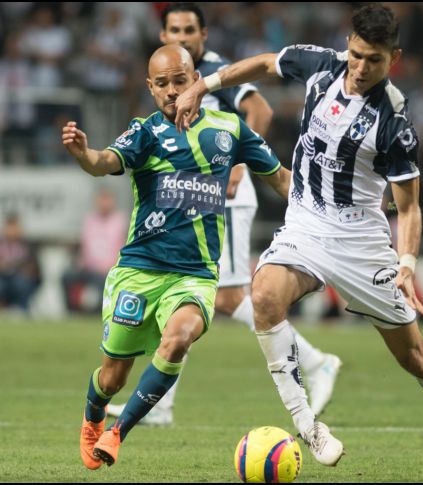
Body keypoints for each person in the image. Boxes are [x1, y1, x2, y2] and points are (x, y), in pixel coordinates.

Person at [174, 5, 423, 480]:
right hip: (305, 225)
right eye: (357, 55)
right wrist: (203, 84)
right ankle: (308, 425)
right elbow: (262, 64)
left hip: (361, 240)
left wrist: (406, 263)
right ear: (348, 44)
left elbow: (408, 207)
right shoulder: (320, 65)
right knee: (263, 295)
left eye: (375, 61)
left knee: (414, 357)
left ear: (394, 58)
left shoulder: (394, 123)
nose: (362, 69)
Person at [106, 2, 341, 427]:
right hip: (193, 200)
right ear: (163, 37)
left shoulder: (214, 71)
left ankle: (316, 361)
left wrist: (236, 166)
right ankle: (160, 403)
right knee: (184, 292)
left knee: (226, 295)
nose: (181, 37)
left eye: (189, 30)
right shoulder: (175, 77)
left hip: (222, 196)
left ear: (204, 35)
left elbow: (261, 112)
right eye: (173, 29)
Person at [65, 44, 290, 470]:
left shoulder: (230, 129)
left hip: (195, 274)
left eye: (180, 81)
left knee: (179, 338)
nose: (172, 91)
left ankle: (118, 433)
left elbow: (280, 179)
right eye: (162, 84)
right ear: (151, 89)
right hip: (139, 270)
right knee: (112, 377)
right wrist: (83, 153)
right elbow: (104, 162)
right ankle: (95, 414)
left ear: (196, 81)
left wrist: (328, 200)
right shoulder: (144, 132)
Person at [61, 188, 127, 313]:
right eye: (101, 199)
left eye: (107, 199)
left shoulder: (119, 221)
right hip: (87, 267)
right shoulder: (90, 220)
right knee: (66, 276)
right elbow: (85, 245)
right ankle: (71, 311)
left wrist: (110, 266)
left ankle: (97, 313)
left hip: (109, 269)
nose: (104, 203)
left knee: (102, 282)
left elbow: (122, 247)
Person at [0, 213, 41, 313]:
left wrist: (18, 267)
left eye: (14, 227)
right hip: (2, 277)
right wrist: (0, 265)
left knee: (20, 283)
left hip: (21, 278)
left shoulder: (28, 244)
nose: (11, 231)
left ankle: (20, 307)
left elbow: (36, 268)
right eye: (8, 227)